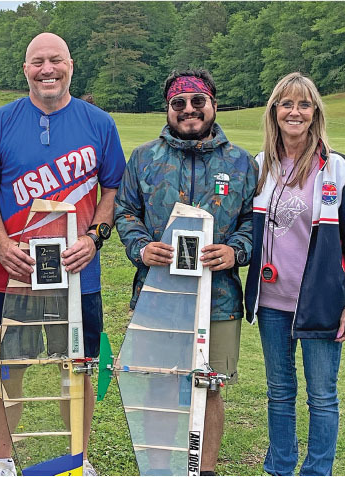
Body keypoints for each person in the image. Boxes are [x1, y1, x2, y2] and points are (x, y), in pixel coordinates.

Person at [0, 32, 126, 477]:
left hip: (79, 273)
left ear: (71, 65)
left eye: (55, 60)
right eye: (37, 61)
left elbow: (112, 188)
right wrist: (1, 245)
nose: (47, 69)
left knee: (78, 367)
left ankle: (77, 457)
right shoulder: (0, 122)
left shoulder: (99, 122)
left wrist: (95, 237)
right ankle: (3, 458)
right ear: (26, 69)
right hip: (14, 272)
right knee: (5, 367)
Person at [114, 69, 257, 476]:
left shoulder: (242, 162)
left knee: (210, 386)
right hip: (158, 296)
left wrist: (235, 251)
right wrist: (142, 248)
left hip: (220, 297)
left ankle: (205, 471)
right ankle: (160, 469)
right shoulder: (144, 158)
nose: (189, 110)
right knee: (160, 386)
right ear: (168, 108)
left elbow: (253, 221)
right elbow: (125, 213)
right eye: (179, 103)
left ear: (214, 104)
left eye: (198, 102)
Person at [244, 72, 345, 476]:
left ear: (314, 111)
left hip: (321, 303)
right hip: (271, 303)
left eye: (303, 104)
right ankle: (280, 468)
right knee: (279, 393)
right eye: (286, 104)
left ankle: (317, 471)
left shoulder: (338, 169)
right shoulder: (259, 165)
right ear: (274, 111)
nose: (294, 112)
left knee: (322, 396)